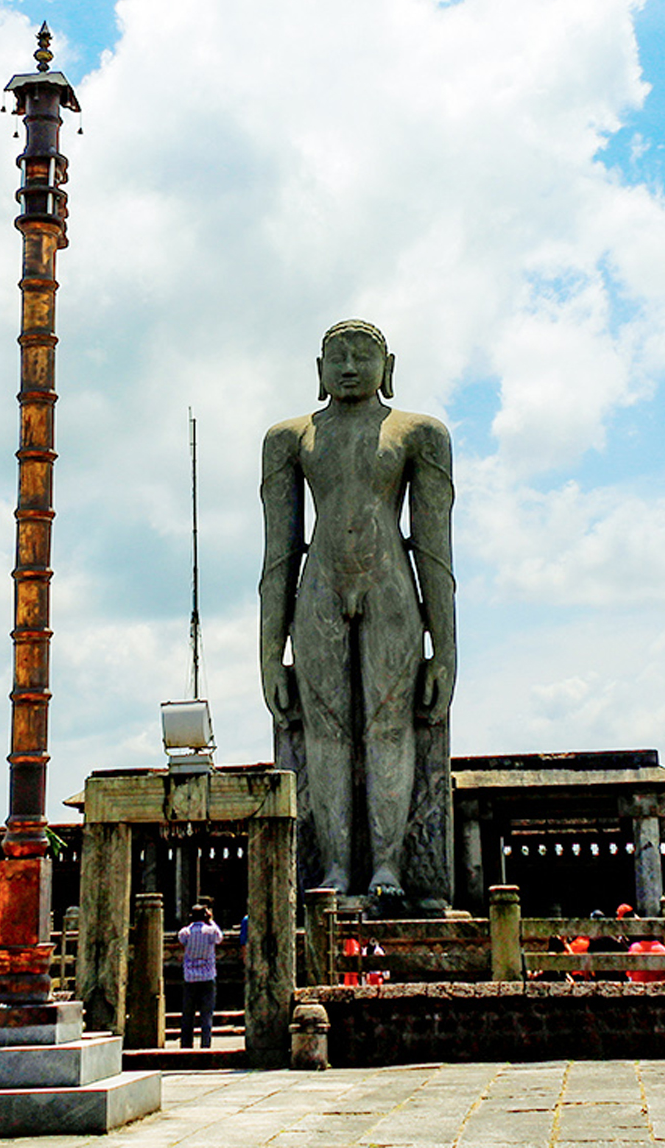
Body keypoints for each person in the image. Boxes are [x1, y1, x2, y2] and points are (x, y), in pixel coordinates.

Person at [259, 320, 456, 901]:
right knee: (326, 731)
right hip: (318, 590)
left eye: (362, 354)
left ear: (387, 366)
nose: (348, 365)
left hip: (391, 587)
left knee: (389, 728)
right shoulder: (288, 439)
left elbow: (435, 550)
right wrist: (270, 653)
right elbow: (278, 554)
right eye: (336, 356)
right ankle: (337, 869)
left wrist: (445, 650)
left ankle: (388, 866)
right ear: (317, 369)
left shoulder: (420, 434)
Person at [178, 904, 223, 1049]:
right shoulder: (210, 931)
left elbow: (181, 941)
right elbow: (219, 937)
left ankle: (186, 1043)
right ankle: (205, 1043)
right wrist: (211, 920)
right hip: (207, 976)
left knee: (188, 1013)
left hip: (190, 977)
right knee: (206, 1014)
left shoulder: (185, 932)